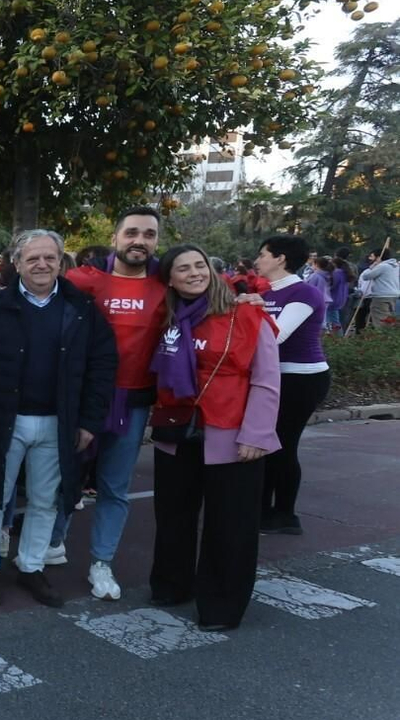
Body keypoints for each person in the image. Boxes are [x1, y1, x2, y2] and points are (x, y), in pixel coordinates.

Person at [0, 230, 117, 608]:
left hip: (59, 421)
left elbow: (102, 366)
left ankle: (30, 566)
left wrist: (90, 422)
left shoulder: (83, 308)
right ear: (16, 263)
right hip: (2, 418)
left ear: (61, 262)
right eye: (32, 259)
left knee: (47, 499)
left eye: (49, 258)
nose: (41, 265)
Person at [148, 245, 281, 631]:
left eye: (199, 265)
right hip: (176, 430)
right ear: (169, 279)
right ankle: (172, 585)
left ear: (210, 268)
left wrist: (256, 434)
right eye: (182, 268)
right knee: (173, 517)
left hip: (233, 434)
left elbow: (267, 380)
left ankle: (221, 605)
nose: (194, 273)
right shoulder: (167, 316)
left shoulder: (246, 313)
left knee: (230, 525)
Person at [53, 205, 167, 601]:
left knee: (114, 487)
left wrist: (246, 302)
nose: (140, 241)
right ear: (116, 237)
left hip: (133, 402)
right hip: (83, 399)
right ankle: (54, 542)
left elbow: (212, 302)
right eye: (132, 232)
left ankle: (102, 563)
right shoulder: (81, 281)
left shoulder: (165, 286)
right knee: (66, 476)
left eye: (149, 234)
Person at [251, 236, 330, 536]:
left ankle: (284, 514)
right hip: (273, 378)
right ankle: (261, 509)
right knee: (266, 445)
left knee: (282, 445)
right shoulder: (266, 291)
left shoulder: (304, 294)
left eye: (262, 254)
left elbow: (276, 336)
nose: (257, 260)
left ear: (280, 259)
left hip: (302, 379)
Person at [357, 248, 398, 324]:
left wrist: (373, 266)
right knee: (388, 319)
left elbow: (366, 276)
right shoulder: (395, 266)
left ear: (378, 257)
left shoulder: (382, 266)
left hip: (382, 296)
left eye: (372, 256)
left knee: (380, 320)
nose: (370, 259)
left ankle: (382, 335)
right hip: (393, 295)